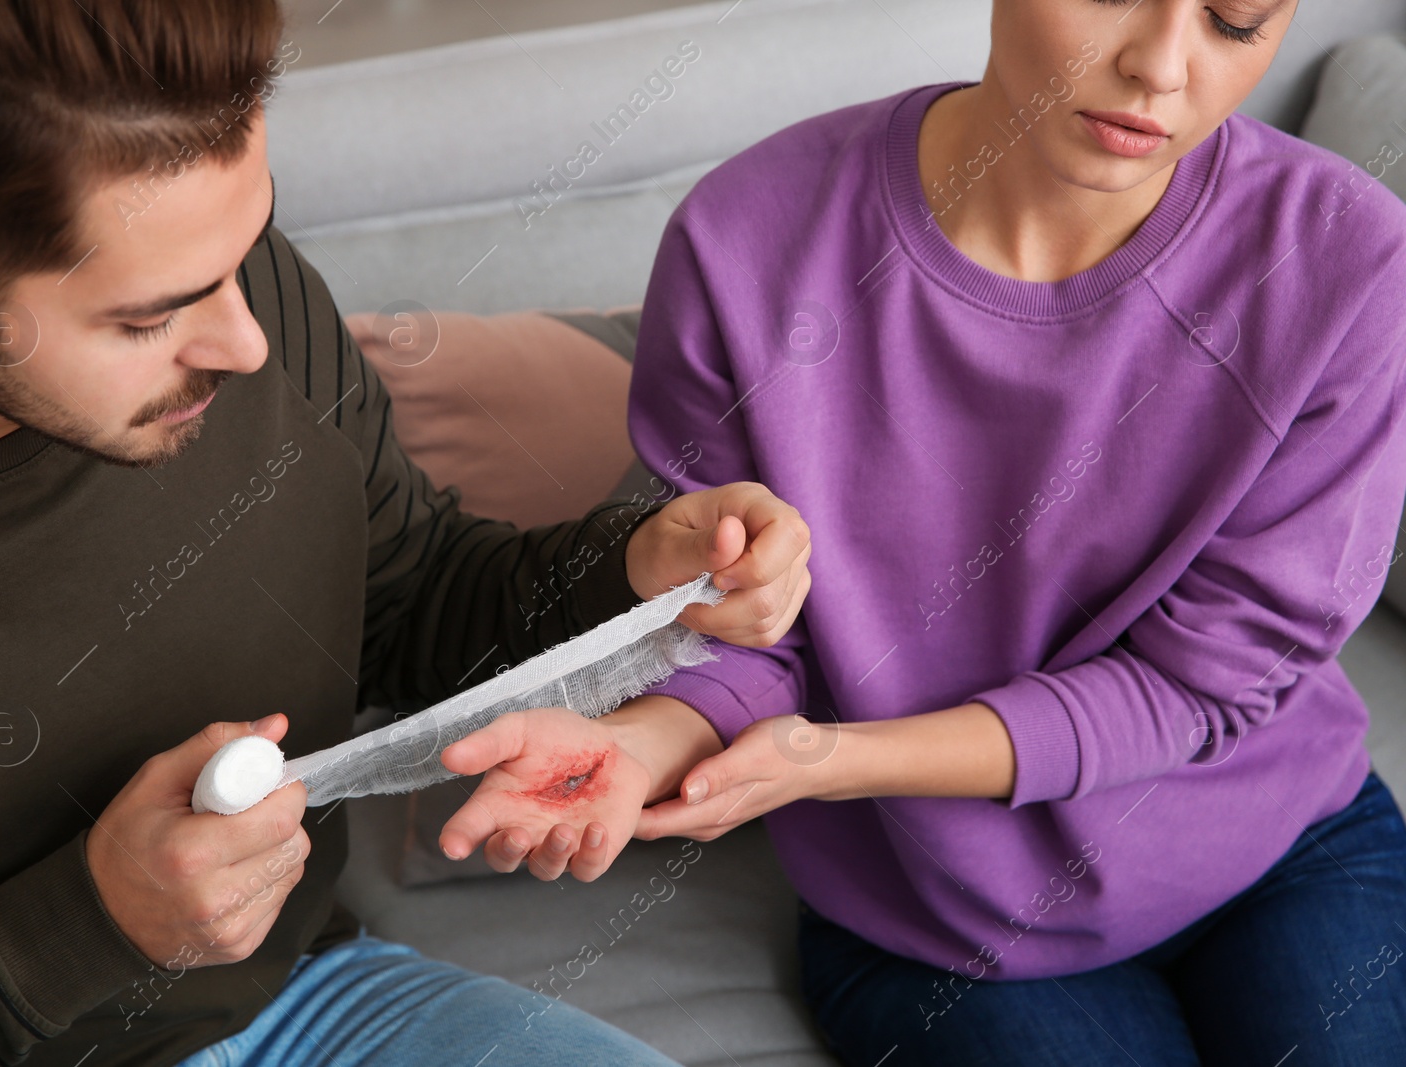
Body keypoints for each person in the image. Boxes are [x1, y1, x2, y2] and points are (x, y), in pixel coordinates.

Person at [0, 2, 813, 1065]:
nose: (245, 343)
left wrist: (634, 567)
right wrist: (85, 926)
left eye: (248, 250)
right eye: (150, 318)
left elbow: (409, 599)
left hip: (306, 1001)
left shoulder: (245, 299)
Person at [437, 0, 1406, 1063]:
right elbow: (751, 626)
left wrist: (829, 761)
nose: (1160, 69)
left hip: (1279, 848)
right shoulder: (746, 241)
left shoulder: (1345, 262)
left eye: (1233, 19)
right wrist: (641, 741)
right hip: (938, 924)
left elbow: (1208, 677)